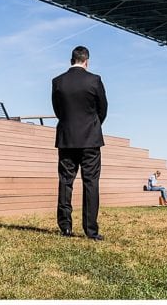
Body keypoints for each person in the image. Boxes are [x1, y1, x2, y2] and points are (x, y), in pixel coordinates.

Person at [51, 45, 109, 240]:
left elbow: (58, 110)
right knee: (91, 183)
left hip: (66, 139)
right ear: (87, 61)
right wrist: (92, 125)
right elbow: (103, 109)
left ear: (71, 60)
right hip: (90, 139)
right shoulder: (95, 80)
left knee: (65, 182)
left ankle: (65, 227)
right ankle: (91, 230)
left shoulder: (58, 82)